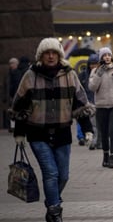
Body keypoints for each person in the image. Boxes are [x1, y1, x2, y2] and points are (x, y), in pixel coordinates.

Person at [9, 38, 94, 222]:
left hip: (62, 133)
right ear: (41, 55)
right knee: (51, 173)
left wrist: (87, 129)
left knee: (63, 176)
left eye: (54, 52)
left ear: (59, 55)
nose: (50, 56)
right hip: (37, 133)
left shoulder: (69, 75)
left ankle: (52, 201)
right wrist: (19, 133)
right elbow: (20, 106)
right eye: (46, 53)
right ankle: (55, 211)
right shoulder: (30, 75)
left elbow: (80, 102)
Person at [89, 47, 113, 168]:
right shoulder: (95, 71)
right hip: (101, 106)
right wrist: (98, 75)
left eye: (109, 55)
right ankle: (105, 155)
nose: (107, 57)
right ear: (101, 57)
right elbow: (92, 87)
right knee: (104, 132)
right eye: (104, 55)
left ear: (111, 57)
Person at [78, 53, 100, 150]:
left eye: (95, 64)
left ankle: (98, 142)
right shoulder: (83, 75)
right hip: (88, 103)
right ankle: (93, 142)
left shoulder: (100, 74)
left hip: (100, 102)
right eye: (91, 64)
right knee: (93, 124)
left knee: (99, 124)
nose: (93, 66)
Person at [4, 57, 20, 133]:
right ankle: (11, 127)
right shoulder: (8, 74)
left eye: (12, 63)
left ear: (16, 64)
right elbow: (5, 86)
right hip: (10, 96)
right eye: (10, 63)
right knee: (10, 112)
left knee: (16, 112)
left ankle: (16, 127)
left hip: (16, 96)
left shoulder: (18, 73)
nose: (11, 65)